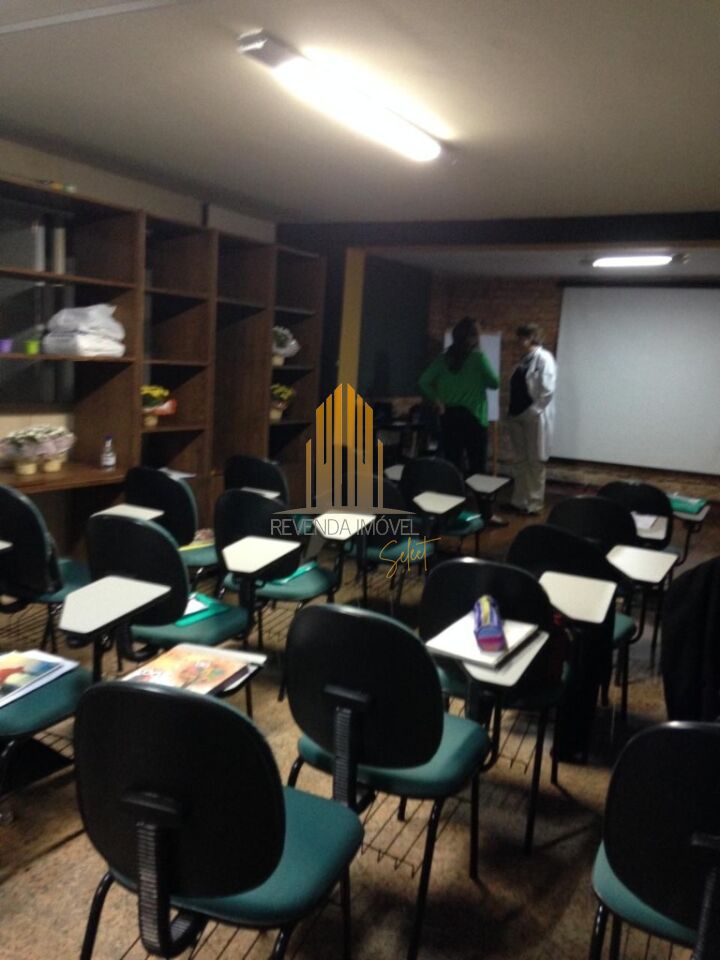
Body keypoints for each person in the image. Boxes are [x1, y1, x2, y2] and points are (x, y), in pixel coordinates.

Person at [418, 316, 499, 475]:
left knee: (452, 462)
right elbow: (494, 383)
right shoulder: (478, 358)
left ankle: (454, 489)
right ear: (473, 337)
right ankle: (476, 491)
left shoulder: (442, 359)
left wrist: (436, 400)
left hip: (448, 415)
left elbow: (423, 381)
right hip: (474, 416)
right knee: (477, 463)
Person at [506, 323, 556, 515]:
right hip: (516, 415)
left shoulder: (544, 358)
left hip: (533, 416)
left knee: (535, 461)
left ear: (531, 338)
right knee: (520, 461)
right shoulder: (523, 359)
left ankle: (534, 504)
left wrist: (532, 412)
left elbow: (547, 390)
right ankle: (519, 501)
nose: (519, 342)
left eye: (522, 338)